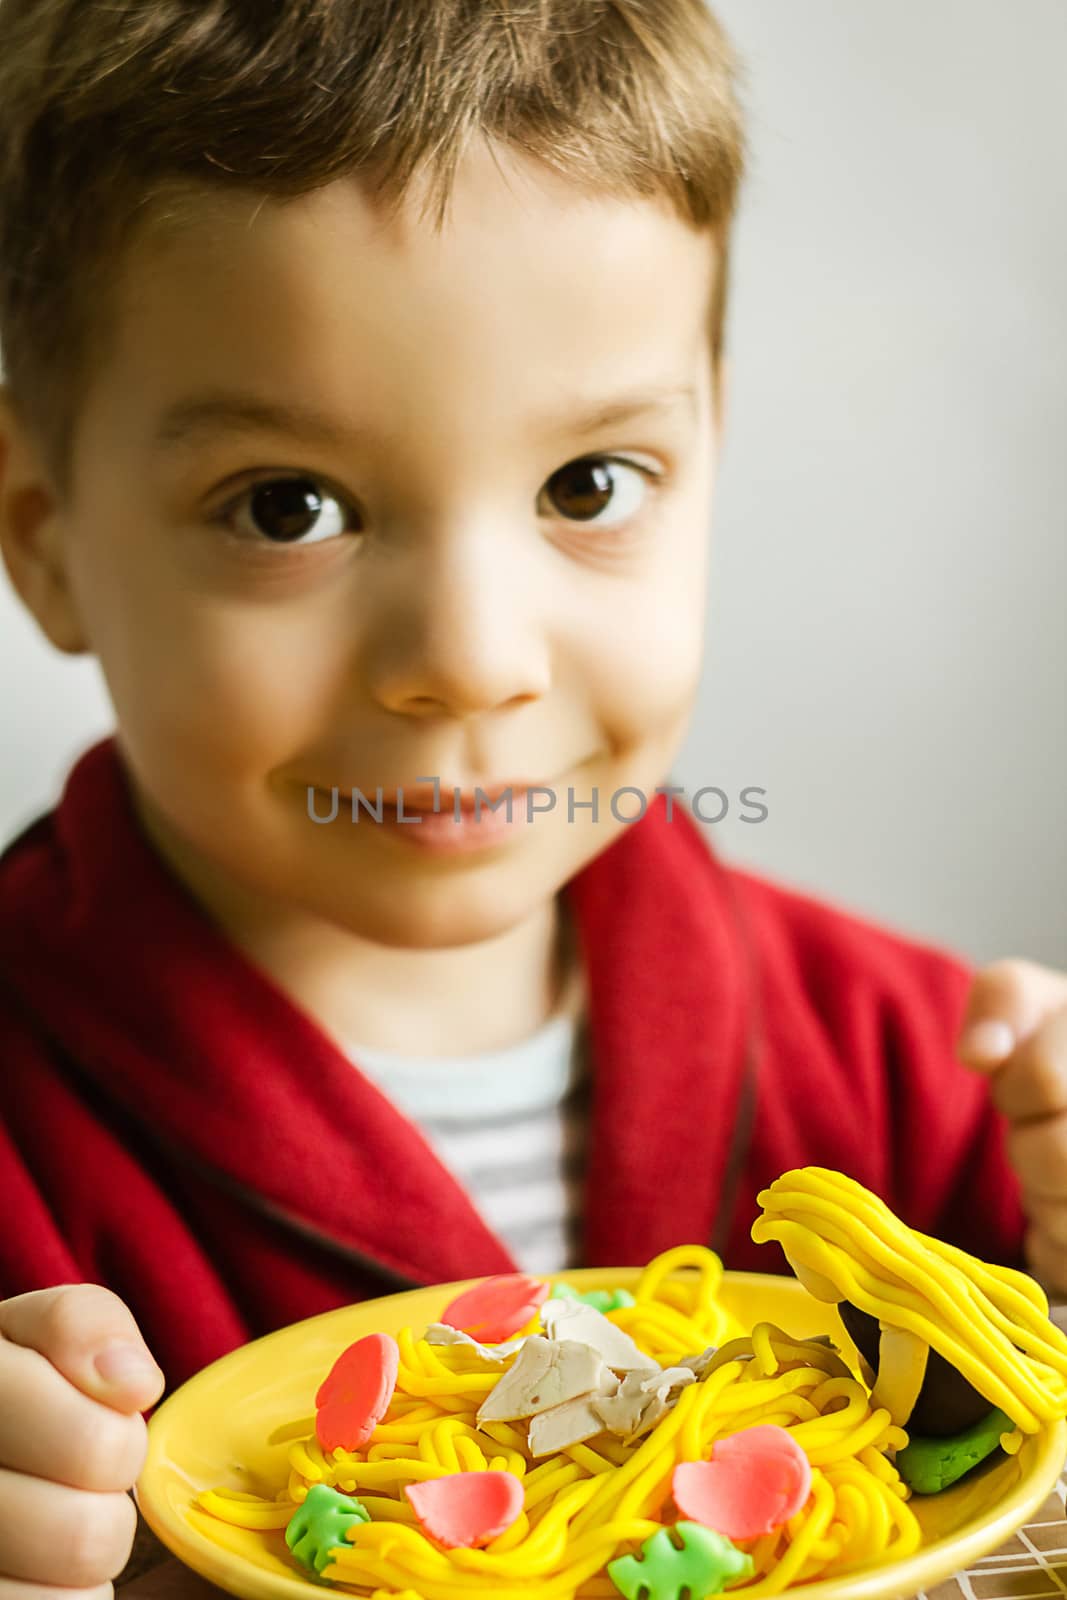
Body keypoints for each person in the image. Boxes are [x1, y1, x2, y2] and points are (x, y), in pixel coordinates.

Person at [1, 1, 1065, 1595]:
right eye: (288, 507)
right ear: (46, 536)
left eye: (590, 486)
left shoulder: (935, 1089)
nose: (472, 662)